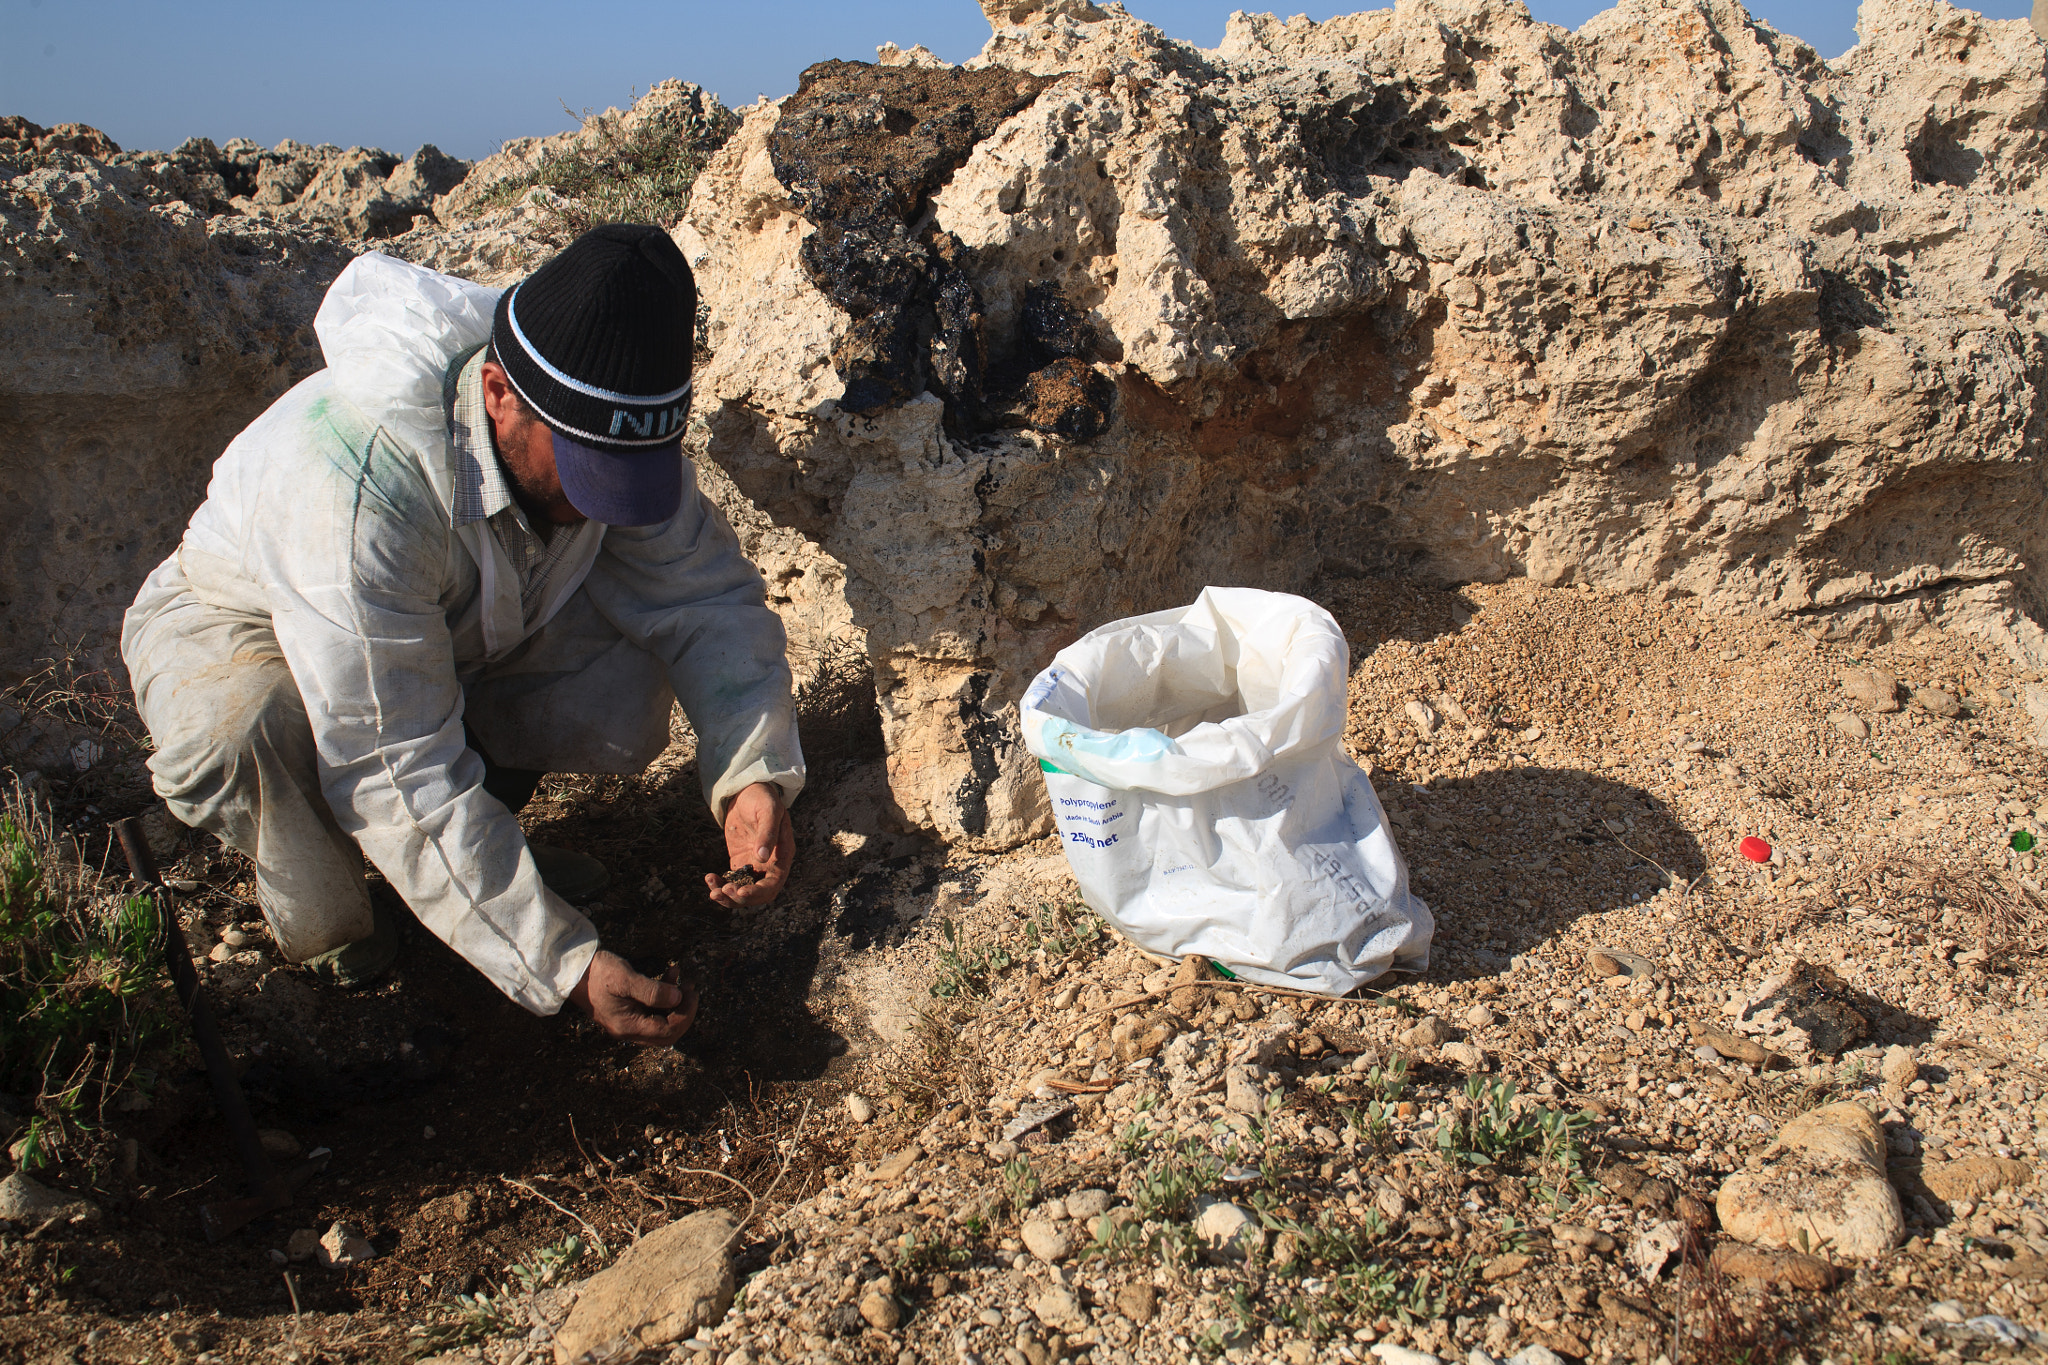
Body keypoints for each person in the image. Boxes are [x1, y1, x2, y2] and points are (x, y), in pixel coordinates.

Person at [121, 225, 804, 1046]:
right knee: (250, 731)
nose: (598, 506)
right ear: (496, 395)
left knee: (627, 643)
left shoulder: (597, 421)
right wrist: (565, 962)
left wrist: (753, 777)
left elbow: (708, 602)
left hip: (443, 627)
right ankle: (350, 927)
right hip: (240, 628)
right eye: (585, 475)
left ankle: (487, 868)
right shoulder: (354, 483)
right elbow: (389, 762)